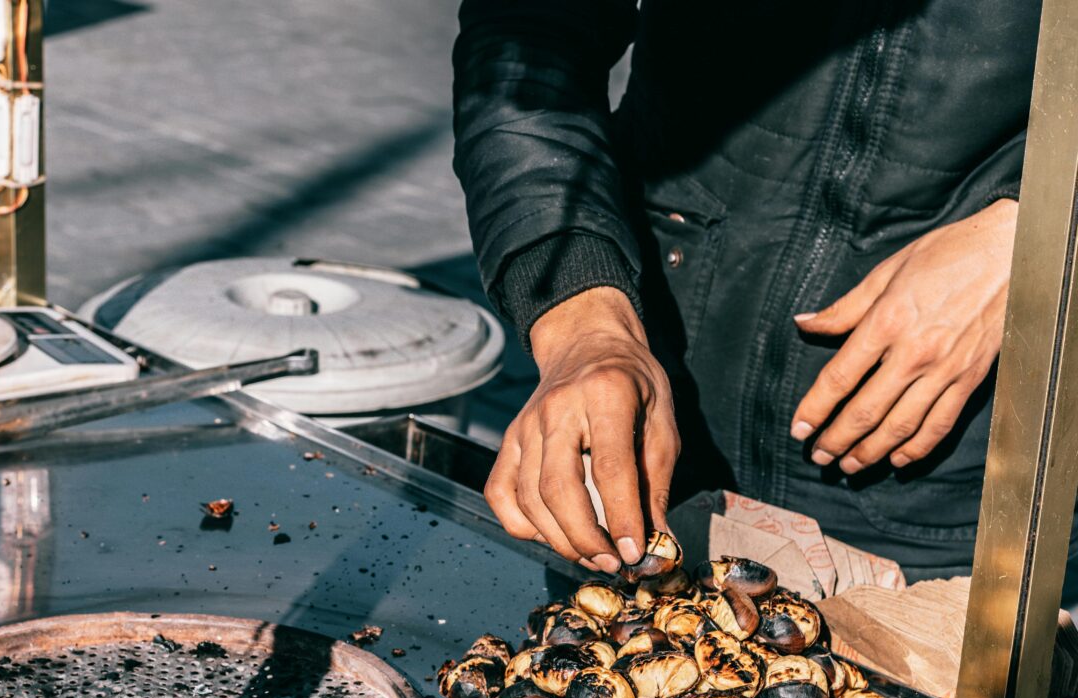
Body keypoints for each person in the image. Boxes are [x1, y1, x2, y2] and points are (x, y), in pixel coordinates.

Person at [451, 2, 1072, 596]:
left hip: (958, 454)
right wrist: (580, 317)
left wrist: (1044, 237)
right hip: (652, 391)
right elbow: (526, 35)